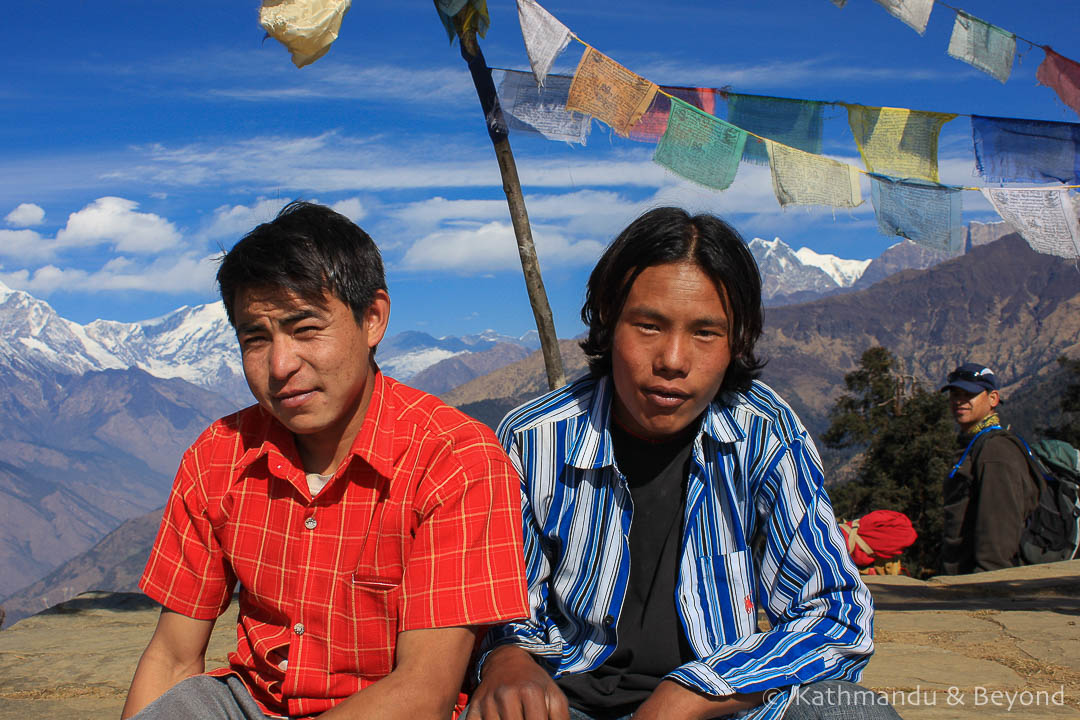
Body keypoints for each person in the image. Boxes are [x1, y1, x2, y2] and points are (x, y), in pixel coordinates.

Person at [467, 208, 895, 720]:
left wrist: (696, 692)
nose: (673, 359)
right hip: (567, 701)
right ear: (608, 317)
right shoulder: (533, 440)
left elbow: (837, 612)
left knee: (848, 711)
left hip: (720, 704)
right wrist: (511, 659)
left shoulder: (764, 433)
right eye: (648, 325)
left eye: (706, 333)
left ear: (737, 340)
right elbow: (502, 600)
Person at [121, 201, 529, 719]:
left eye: (306, 328)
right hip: (252, 704)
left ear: (373, 319)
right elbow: (173, 658)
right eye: (256, 338)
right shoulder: (218, 455)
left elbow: (424, 690)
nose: (281, 364)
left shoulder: (453, 458)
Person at [940, 362, 1039, 575]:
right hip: (960, 580)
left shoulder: (995, 451)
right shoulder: (974, 444)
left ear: (993, 398)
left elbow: (999, 527)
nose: (960, 400)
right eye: (955, 394)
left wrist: (987, 580)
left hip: (978, 585)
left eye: (969, 394)